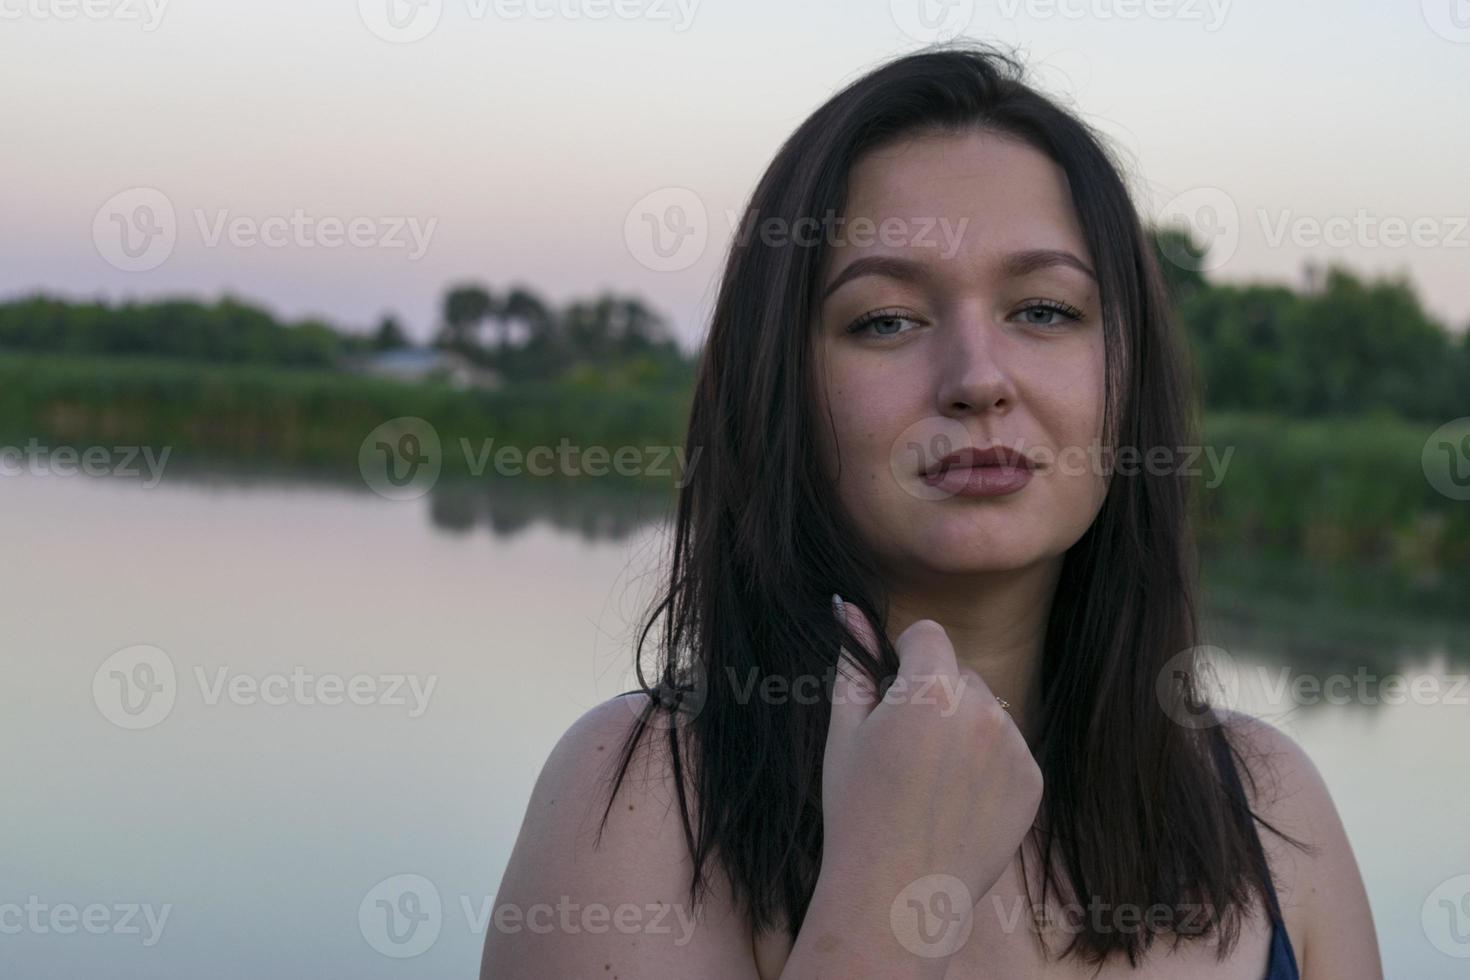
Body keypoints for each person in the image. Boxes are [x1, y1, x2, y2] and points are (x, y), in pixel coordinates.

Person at [481, 43, 1382, 979]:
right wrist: (886, 902)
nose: (978, 379)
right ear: (781, 387)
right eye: (886, 320)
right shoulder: (644, 799)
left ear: (1126, 375)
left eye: (1043, 310)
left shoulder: (1272, 815)